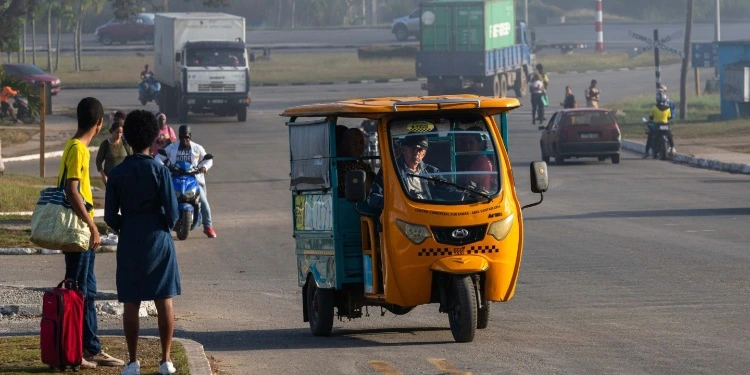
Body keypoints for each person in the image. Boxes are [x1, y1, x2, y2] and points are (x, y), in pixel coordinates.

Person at [104, 110, 180, 375]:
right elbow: (173, 213)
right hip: (158, 237)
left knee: (131, 302)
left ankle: (133, 361)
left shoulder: (117, 173)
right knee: (164, 300)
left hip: (129, 239)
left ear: (129, 138)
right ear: (153, 137)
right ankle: (166, 360)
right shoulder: (160, 171)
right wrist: (161, 224)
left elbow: (111, 216)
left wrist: (126, 225)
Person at [59, 97, 125, 370]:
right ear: (99, 124)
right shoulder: (78, 149)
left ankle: (90, 347)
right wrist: (92, 225)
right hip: (79, 231)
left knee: (87, 290)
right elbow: (72, 191)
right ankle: (72, 351)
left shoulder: (76, 147)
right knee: (77, 292)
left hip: (81, 231)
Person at [156, 125, 216, 238]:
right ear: (178, 136)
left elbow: (208, 160)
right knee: (162, 200)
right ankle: (160, 226)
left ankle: (208, 226)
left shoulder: (197, 148)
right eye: (182, 137)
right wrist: (163, 167)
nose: (185, 140)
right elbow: (158, 158)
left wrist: (204, 167)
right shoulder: (172, 148)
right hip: (174, 179)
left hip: (194, 180)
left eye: (187, 137)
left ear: (190, 136)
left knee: (204, 202)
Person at [368, 134, 439, 210]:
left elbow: (449, 191)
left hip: (428, 214)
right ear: (404, 150)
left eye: (420, 150)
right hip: (401, 215)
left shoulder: (432, 171)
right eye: (412, 148)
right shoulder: (390, 170)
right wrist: (396, 203)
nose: (416, 153)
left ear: (424, 154)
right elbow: (373, 197)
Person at [337, 128, 376, 197]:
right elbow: (372, 188)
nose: (359, 146)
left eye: (361, 142)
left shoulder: (362, 163)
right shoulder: (346, 166)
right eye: (354, 143)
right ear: (346, 146)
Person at [457, 126, 493, 192]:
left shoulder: (483, 163)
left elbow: (485, 190)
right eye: (465, 143)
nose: (467, 147)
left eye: (471, 143)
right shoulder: (469, 160)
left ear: (481, 144)